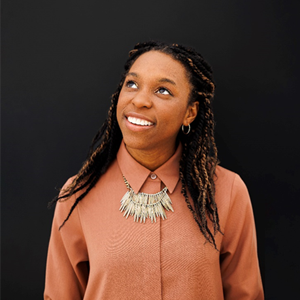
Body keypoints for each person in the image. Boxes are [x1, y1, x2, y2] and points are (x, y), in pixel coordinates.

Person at [44, 41, 264, 300]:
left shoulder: (227, 191)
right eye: (132, 84)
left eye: (162, 90)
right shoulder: (78, 194)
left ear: (190, 113)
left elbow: (246, 295)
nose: (140, 100)